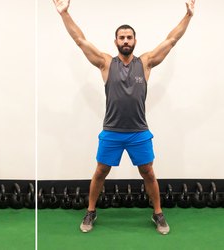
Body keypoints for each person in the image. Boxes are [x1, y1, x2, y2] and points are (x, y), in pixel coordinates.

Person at [53, 0, 195, 235]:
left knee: (148, 172)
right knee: (101, 171)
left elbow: (171, 40)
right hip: (112, 131)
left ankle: (157, 213)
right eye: (122, 37)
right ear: (116, 41)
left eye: (130, 37)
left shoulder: (146, 63)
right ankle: (91, 210)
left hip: (139, 131)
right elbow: (80, 40)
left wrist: (188, 16)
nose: (126, 41)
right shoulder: (106, 63)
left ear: (135, 41)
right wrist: (64, 14)